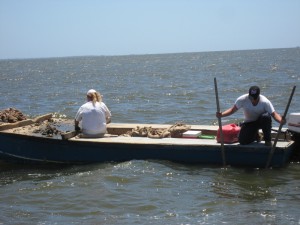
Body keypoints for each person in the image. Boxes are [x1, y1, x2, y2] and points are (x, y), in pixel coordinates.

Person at [216, 86, 285, 146]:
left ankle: (267, 140)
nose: (253, 100)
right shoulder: (242, 99)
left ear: (258, 95)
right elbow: (232, 110)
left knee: (266, 116)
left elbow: (274, 114)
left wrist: (280, 120)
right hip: (249, 123)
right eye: (251, 98)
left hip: (261, 122)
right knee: (242, 141)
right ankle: (256, 135)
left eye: (255, 98)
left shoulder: (265, 102)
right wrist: (221, 115)